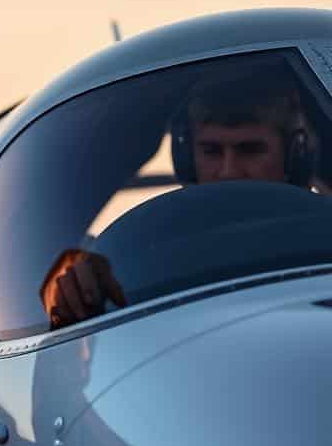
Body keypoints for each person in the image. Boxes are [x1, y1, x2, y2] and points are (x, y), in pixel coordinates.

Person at [41, 64, 320, 329]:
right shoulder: (141, 254)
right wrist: (75, 293)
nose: (227, 171)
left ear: (295, 154)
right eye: (211, 151)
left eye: (250, 149)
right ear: (186, 158)